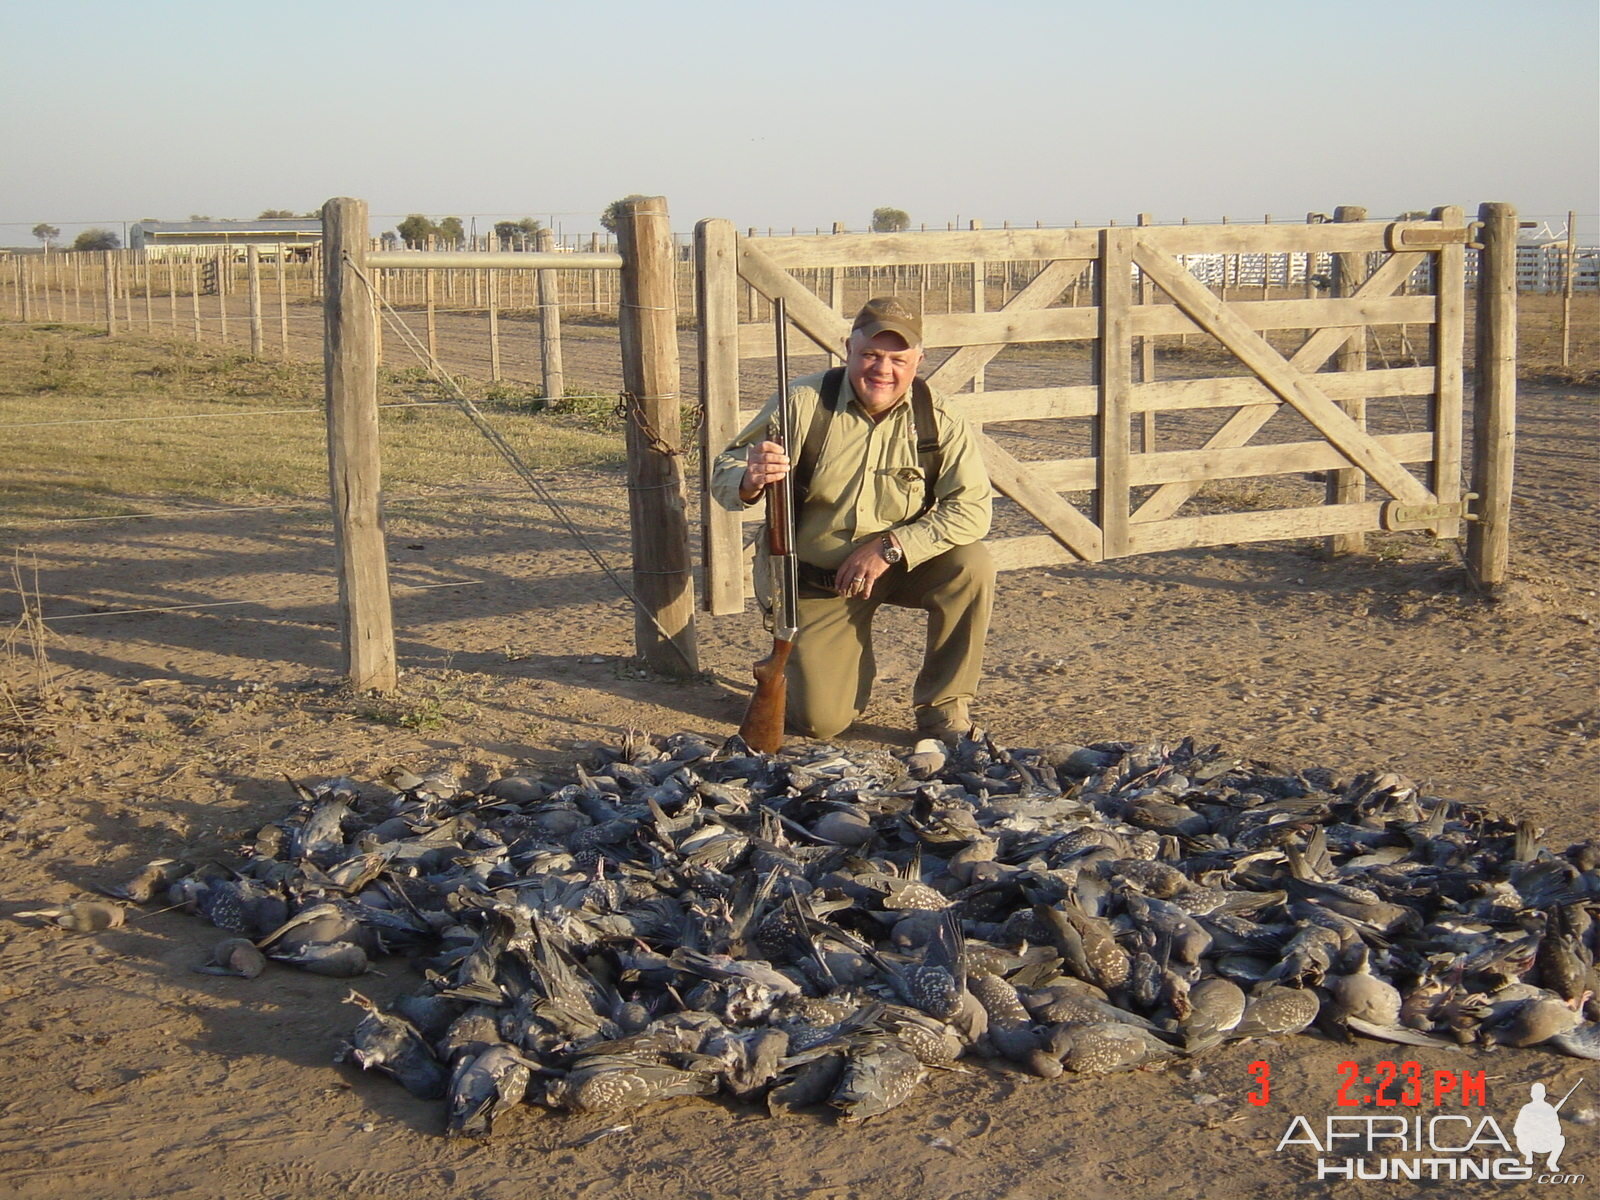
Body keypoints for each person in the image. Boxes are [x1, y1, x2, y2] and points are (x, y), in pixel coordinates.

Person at [712, 296, 994, 743]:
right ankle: (839, 667)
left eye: (898, 359)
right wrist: (749, 479)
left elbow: (973, 510)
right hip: (818, 581)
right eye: (871, 355)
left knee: (972, 565)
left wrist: (891, 548)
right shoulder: (803, 401)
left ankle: (943, 708)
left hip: (899, 567)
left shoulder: (939, 418)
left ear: (919, 360)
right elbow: (723, 469)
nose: (883, 369)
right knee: (823, 723)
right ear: (848, 349)